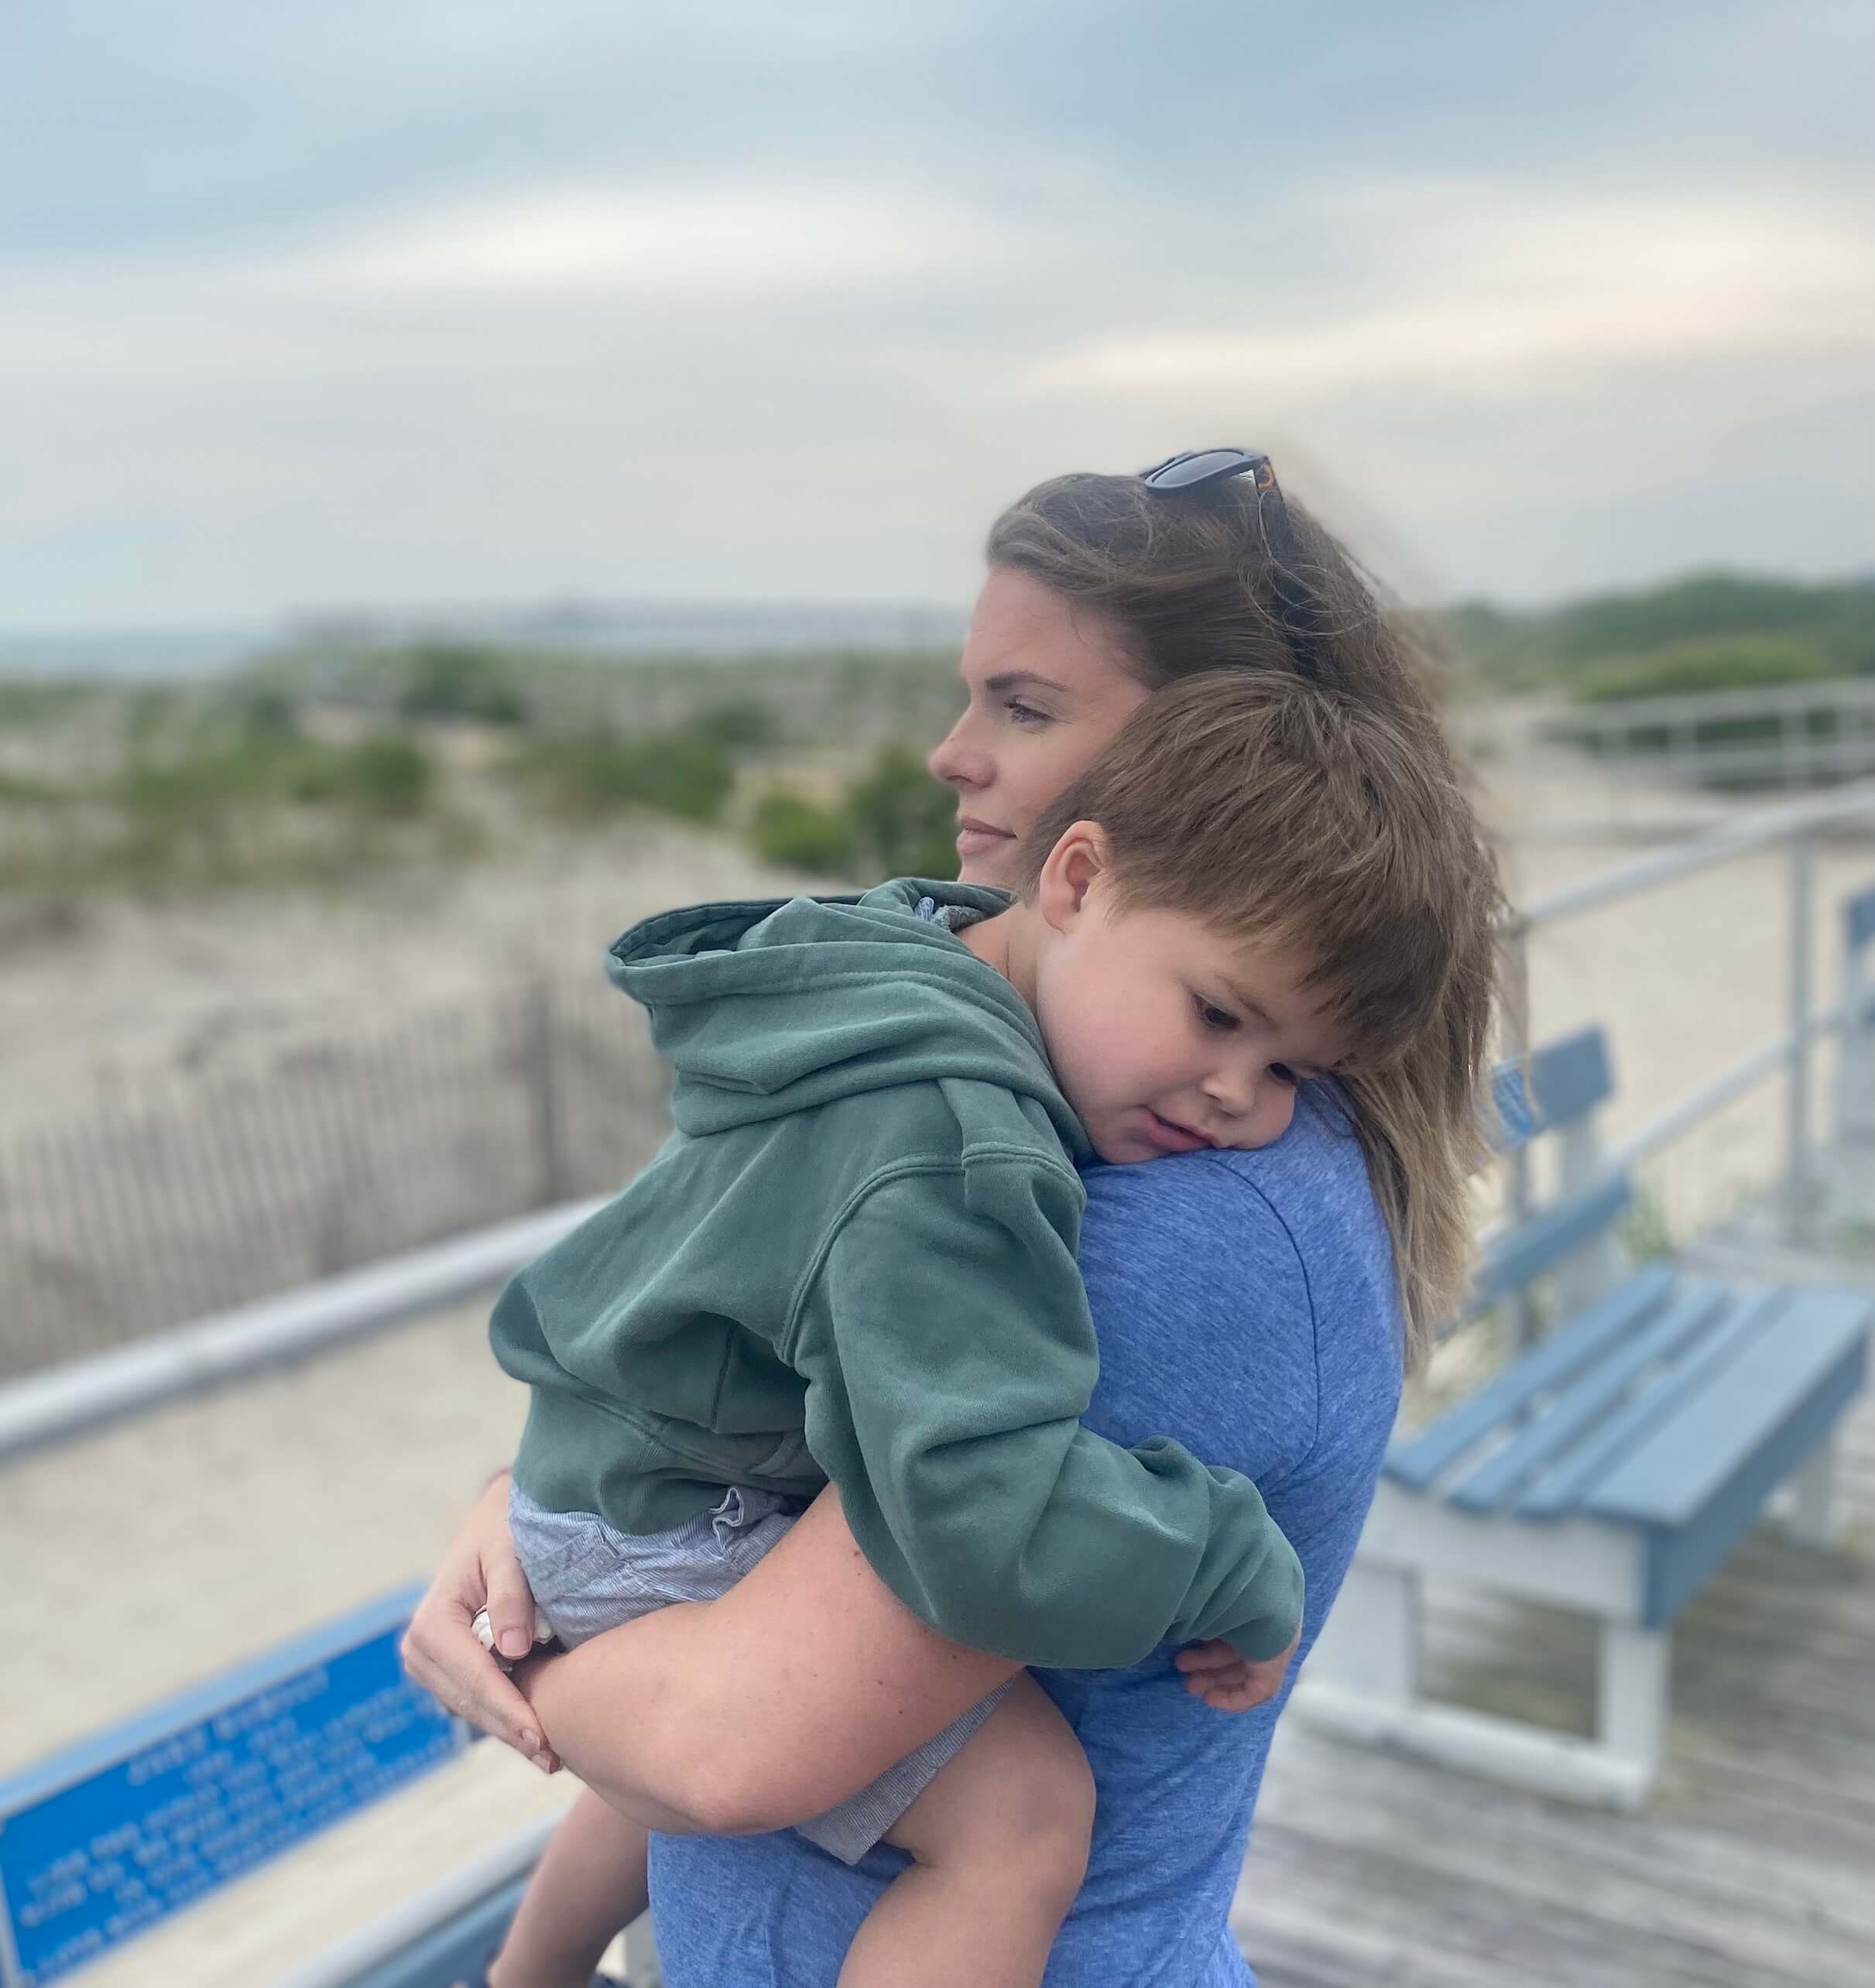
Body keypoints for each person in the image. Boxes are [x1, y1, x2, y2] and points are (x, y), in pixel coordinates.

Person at [403, 451, 1503, 1986]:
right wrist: (555, 1500)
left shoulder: (1156, 1223)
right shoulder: (980, 1090)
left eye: (1023, 706)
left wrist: (511, 1640)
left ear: (1200, 777)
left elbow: (730, 1741)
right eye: (968, 693)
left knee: (1015, 1820)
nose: (947, 755)